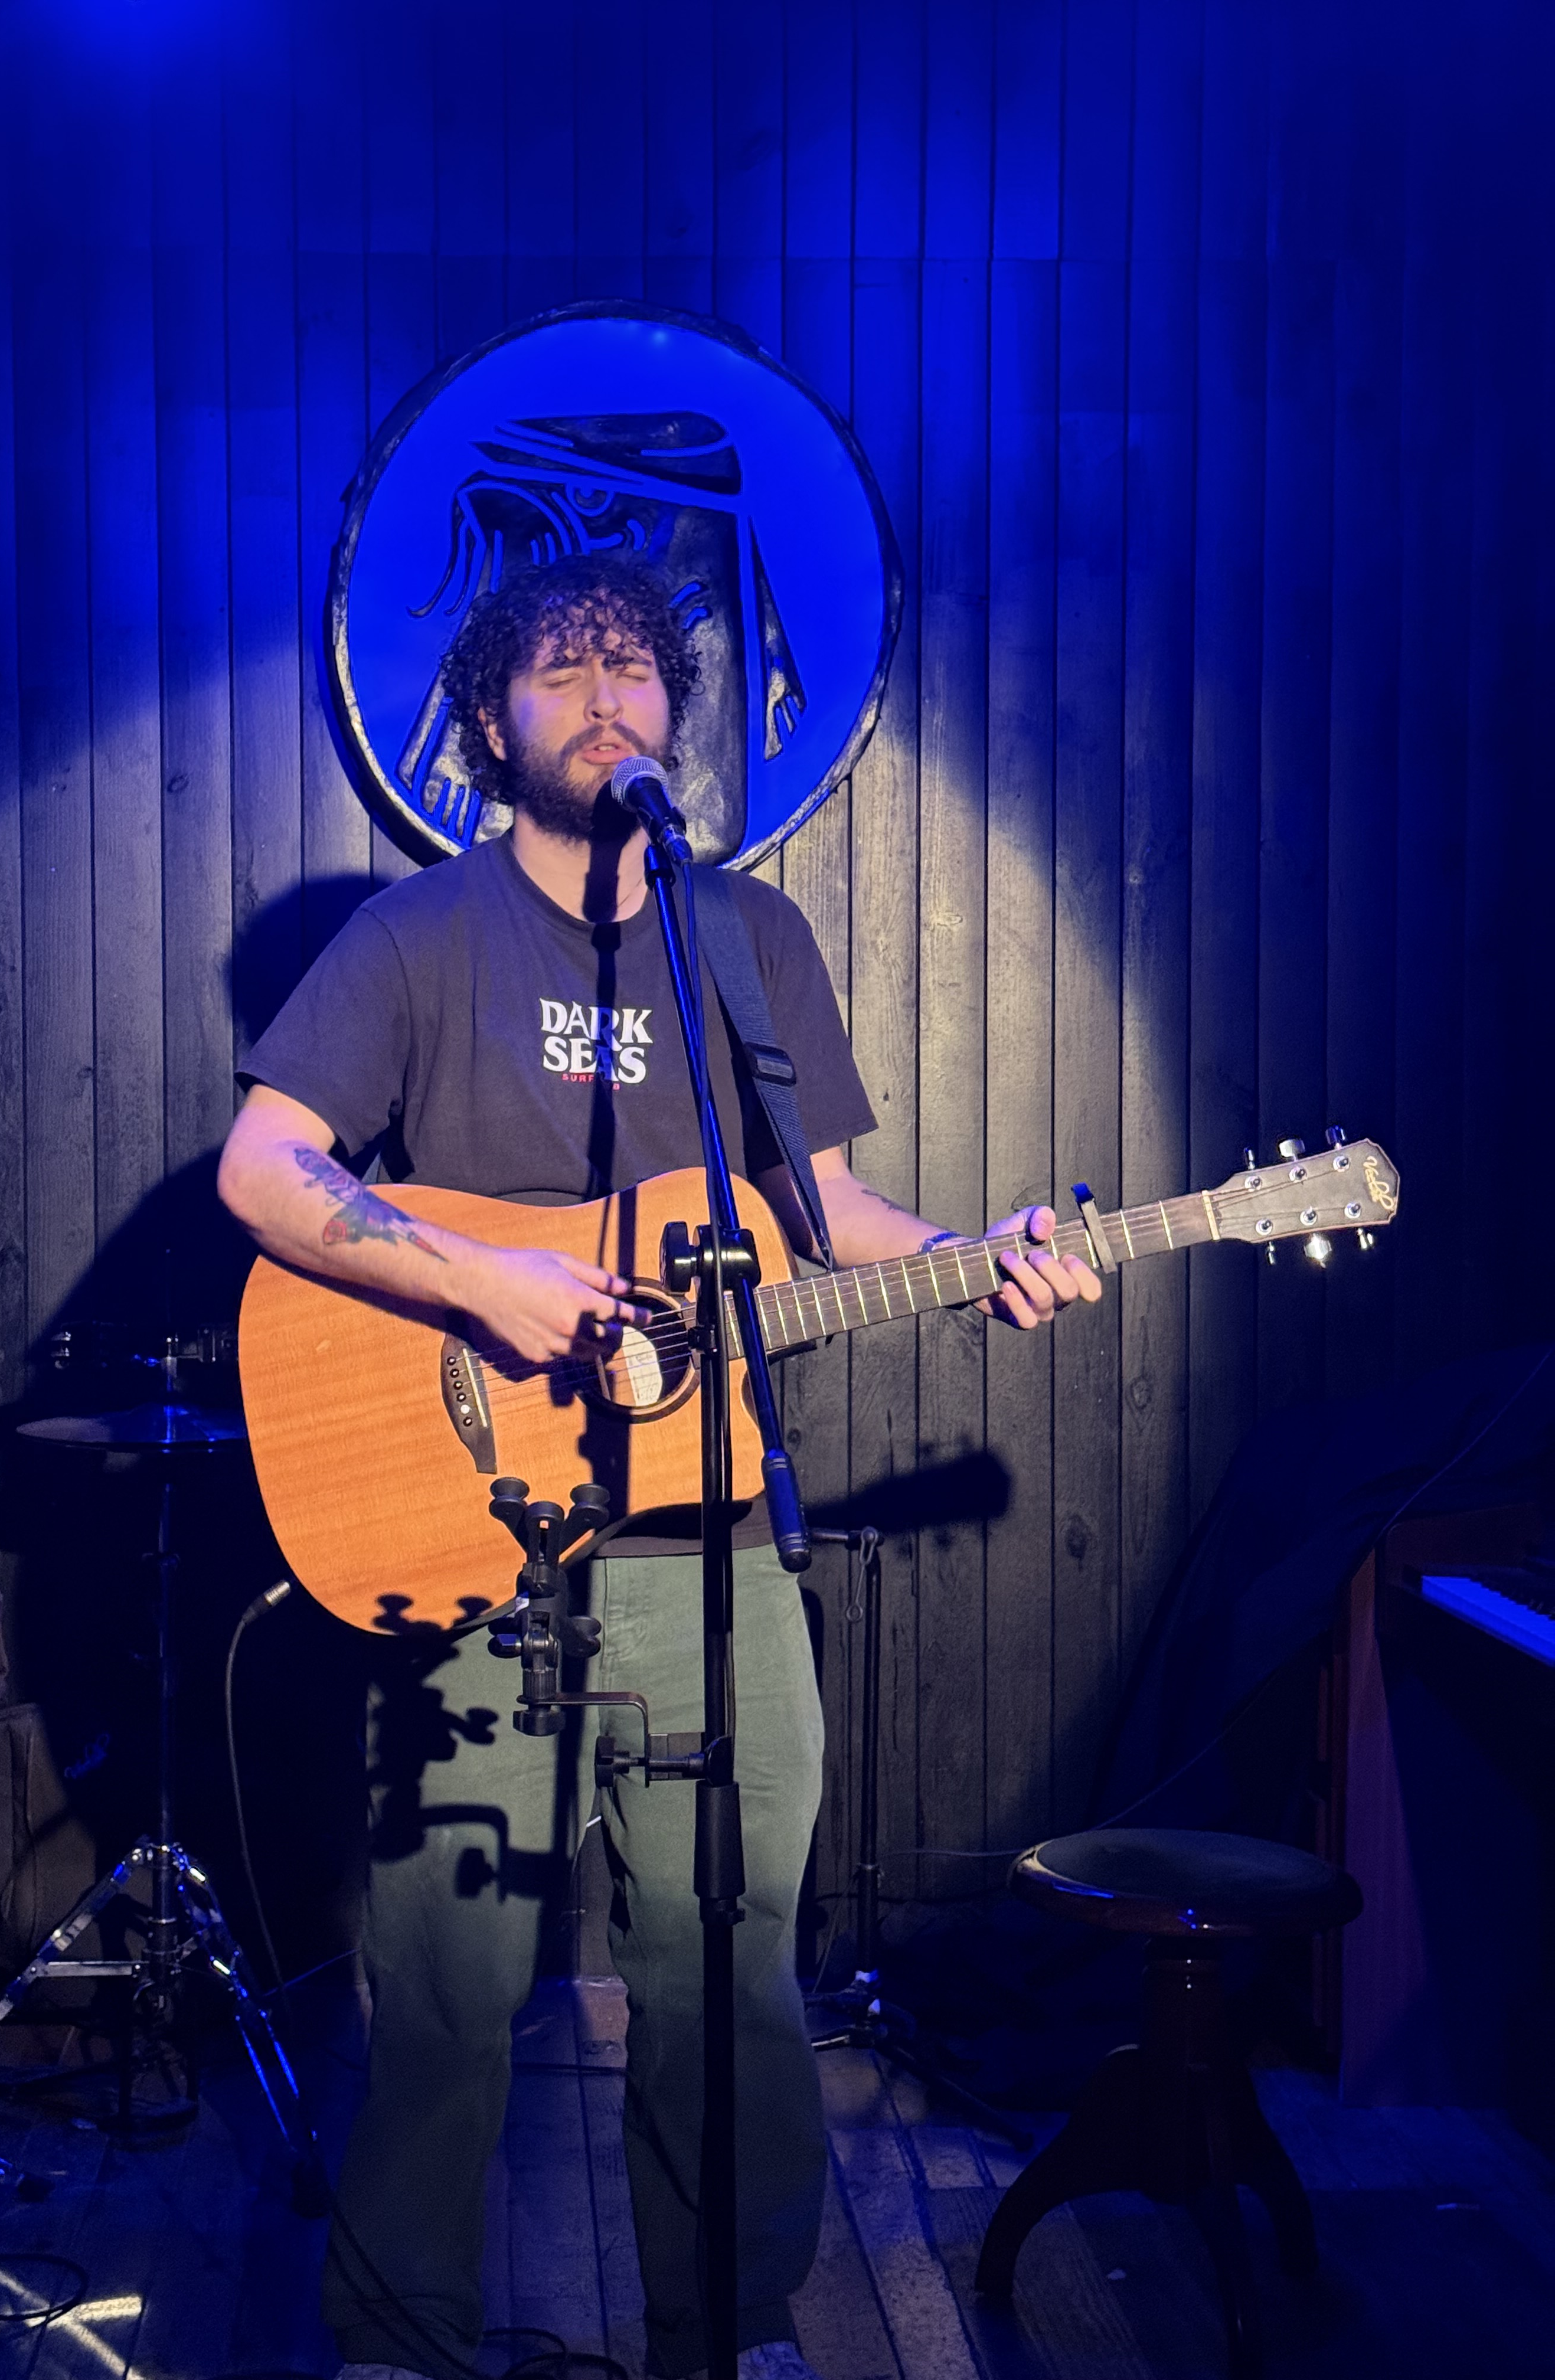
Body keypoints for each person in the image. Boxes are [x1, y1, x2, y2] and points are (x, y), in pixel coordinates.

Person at [217, 552, 1100, 2380]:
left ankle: (731, 2332)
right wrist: (490, 1282)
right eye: (560, 668)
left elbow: (823, 1206)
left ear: (678, 717)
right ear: (486, 723)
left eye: (635, 665)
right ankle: (401, 2337)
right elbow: (262, 1165)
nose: (606, 692)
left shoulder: (748, 939)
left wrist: (979, 1242)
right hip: (480, 1522)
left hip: (711, 1538)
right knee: (454, 1986)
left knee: (732, 1971)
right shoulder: (418, 939)